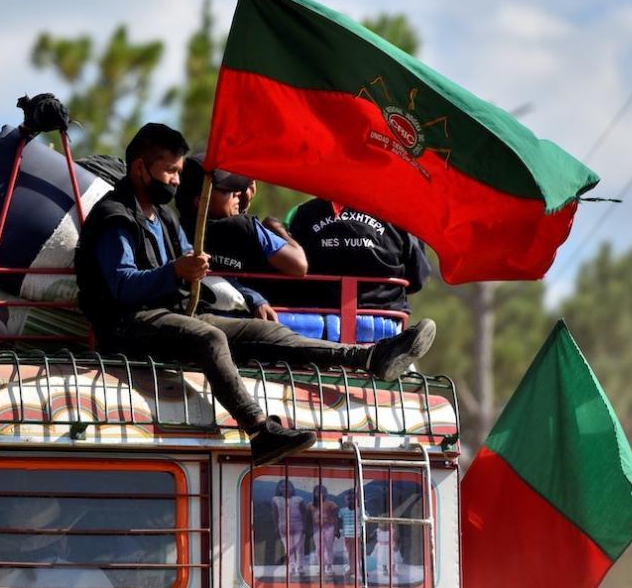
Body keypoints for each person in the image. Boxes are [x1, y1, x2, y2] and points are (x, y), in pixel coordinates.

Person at [74, 123, 437, 467]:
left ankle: (368, 358)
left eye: (179, 171)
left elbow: (201, 270)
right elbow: (122, 285)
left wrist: (248, 295)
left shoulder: (163, 217)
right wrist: (175, 272)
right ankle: (260, 431)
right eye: (169, 171)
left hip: (170, 314)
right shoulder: (115, 217)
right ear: (140, 168)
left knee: (263, 332)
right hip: (125, 324)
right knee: (209, 337)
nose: (176, 180)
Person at [175, 155, 307, 320]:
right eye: (227, 189)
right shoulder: (246, 226)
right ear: (200, 201)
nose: (237, 193)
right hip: (251, 318)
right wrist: (275, 226)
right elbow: (298, 265)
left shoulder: (174, 229)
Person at [286, 199, 431, 314]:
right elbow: (418, 279)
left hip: (313, 321)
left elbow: (286, 266)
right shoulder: (400, 217)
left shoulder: (302, 213)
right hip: (385, 319)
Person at [271, 480, 308, 577]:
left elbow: (304, 514)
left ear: (292, 488)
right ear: (279, 488)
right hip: (283, 526)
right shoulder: (276, 499)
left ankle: (300, 568)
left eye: (288, 486)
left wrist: (305, 526)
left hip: (298, 525)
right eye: (282, 486)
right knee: (288, 548)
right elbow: (275, 514)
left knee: (299, 548)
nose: (285, 488)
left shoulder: (299, 499)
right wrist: (275, 527)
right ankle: (291, 567)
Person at [310, 485, 339, 577]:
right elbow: (308, 519)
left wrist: (336, 529)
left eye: (323, 491)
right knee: (319, 549)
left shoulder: (331, 504)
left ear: (326, 493)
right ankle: (321, 568)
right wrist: (308, 530)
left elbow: (335, 518)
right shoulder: (310, 505)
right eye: (318, 492)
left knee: (329, 547)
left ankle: (329, 567)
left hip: (329, 527)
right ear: (314, 493)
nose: (321, 494)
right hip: (317, 529)